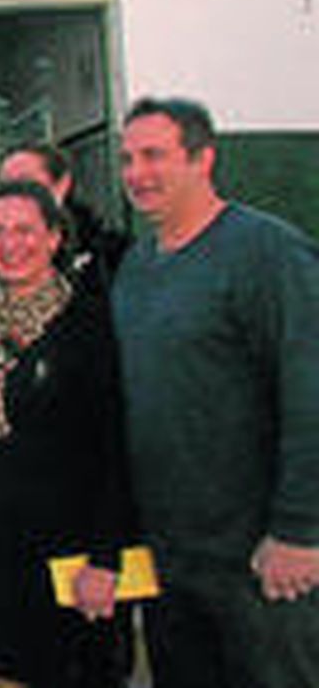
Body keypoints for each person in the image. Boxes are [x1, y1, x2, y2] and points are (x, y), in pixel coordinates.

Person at [111, 97, 319, 687]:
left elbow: (311, 393)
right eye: (127, 158)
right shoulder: (136, 266)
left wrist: (300, 532)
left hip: (260, 561)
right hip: (173, 560)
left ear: (204, 159)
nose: (137, 173)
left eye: (154, 155)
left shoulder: (268, 253)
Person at [0, 181, 133, 688]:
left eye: (24, 230)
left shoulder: (88, 326)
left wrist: (105, 560)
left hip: (73, 561)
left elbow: (115, 448)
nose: (9, 244)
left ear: (53, 238)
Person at [0, 144, 129, 285]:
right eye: (7, 186)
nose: (15, 194)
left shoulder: (110, 256)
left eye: (27, 182)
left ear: (62, 185)